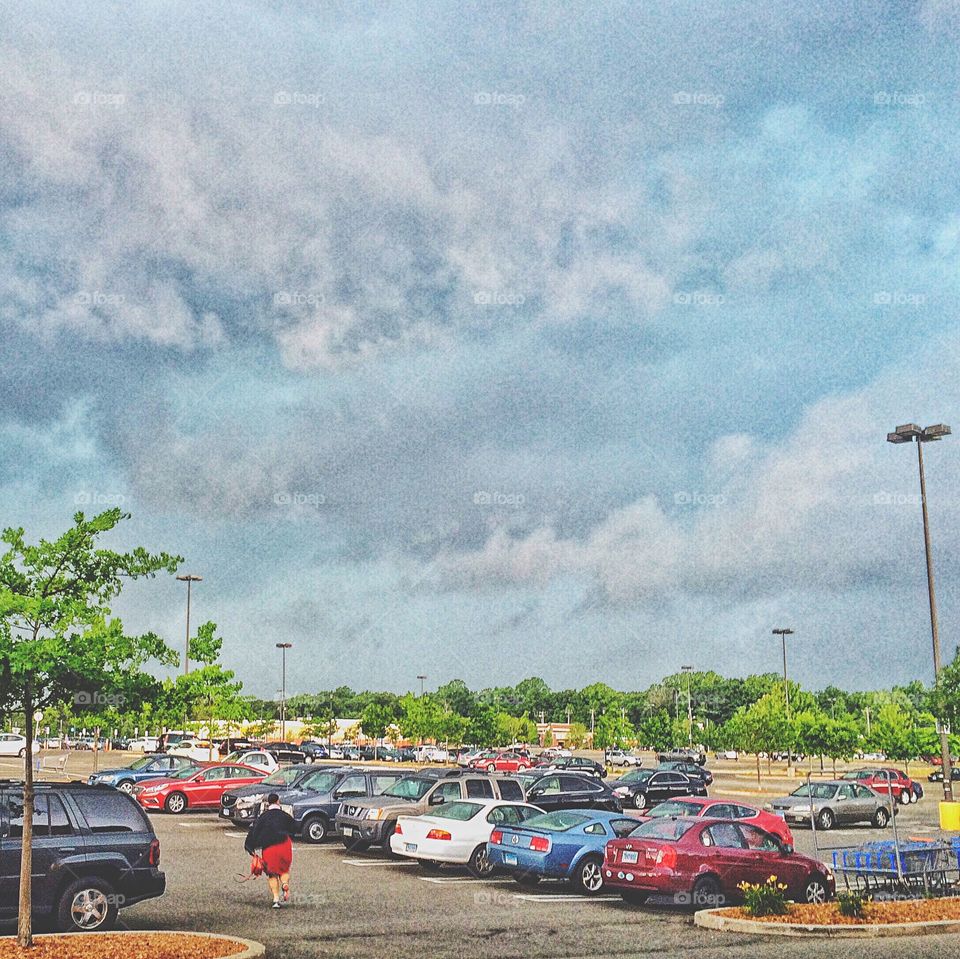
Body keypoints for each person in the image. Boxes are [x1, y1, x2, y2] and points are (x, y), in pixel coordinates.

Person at [244, 793, 296, 908]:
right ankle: (285, 884)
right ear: (278, 801)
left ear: (268, 802)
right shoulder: (285, 815)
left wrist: (250, 847)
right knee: (284, 870)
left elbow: (254, 831)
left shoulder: (263, 817)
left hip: (269, 847)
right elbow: (294, 828)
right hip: (284, 845)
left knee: (272, 874)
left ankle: (276, 899)